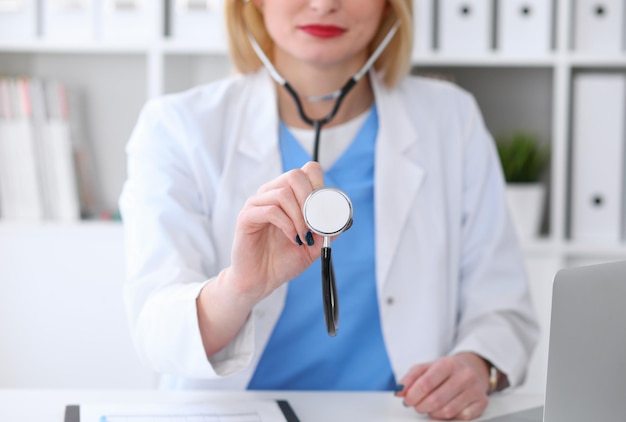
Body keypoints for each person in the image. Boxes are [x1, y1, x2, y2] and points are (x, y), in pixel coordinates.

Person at [119, 0, 540, 420]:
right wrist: (238, 288)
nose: (323, 5)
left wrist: (477, 364)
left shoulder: (450, 118)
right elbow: (156, 330)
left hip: (400, 414)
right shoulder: (177, 126)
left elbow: (503, 307)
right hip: (233, 413)